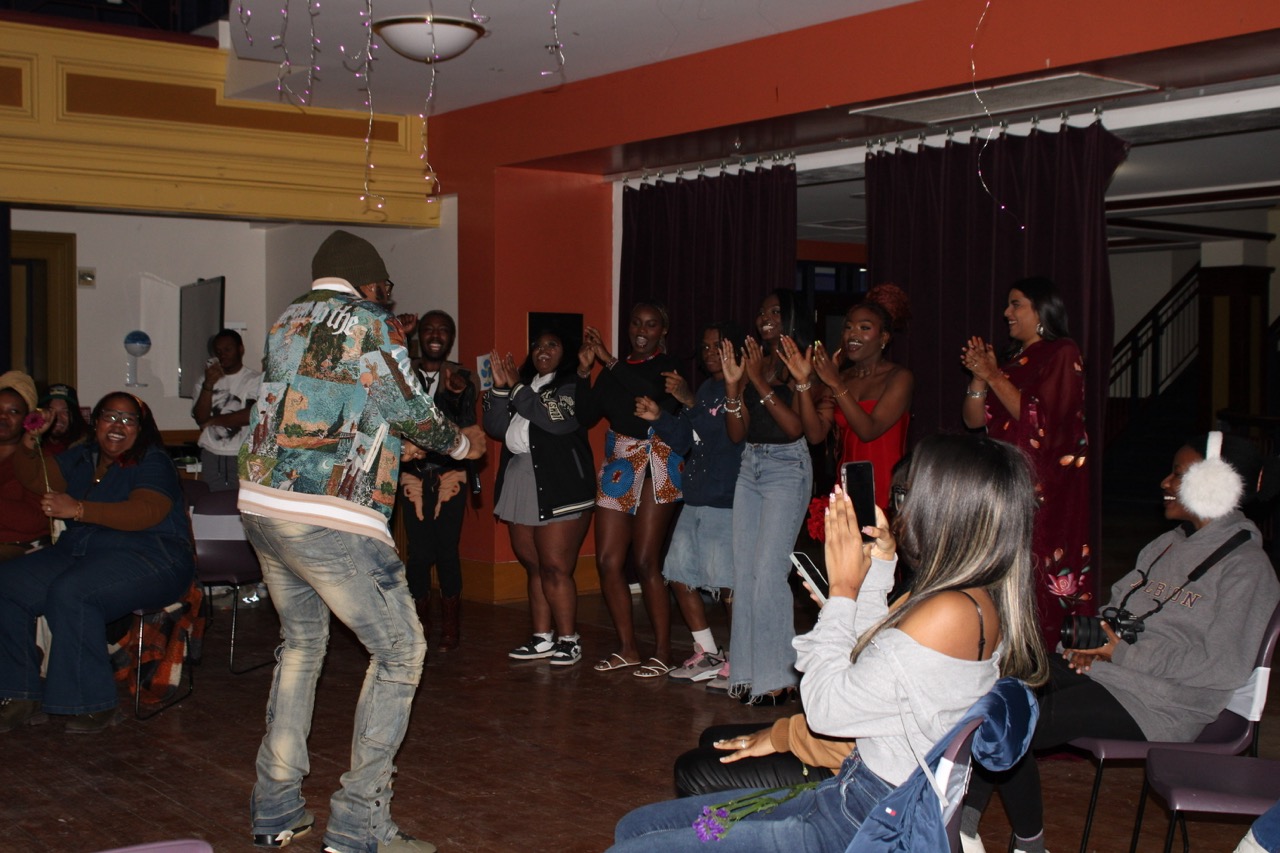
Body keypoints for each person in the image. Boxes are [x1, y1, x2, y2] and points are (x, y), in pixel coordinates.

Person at [607, 433, 1049, 851]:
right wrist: (876, 573)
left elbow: (828, 710)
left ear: (947, 509)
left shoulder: (948, 612)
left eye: (911, 495)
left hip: (864, 820)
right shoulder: (971, 597)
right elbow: (873, 664)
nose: (902, 508)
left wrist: (841, 593)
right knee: (638, 828)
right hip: (852, 792)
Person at [237, 229, 485, 853]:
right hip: (328, 517)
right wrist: (462, 444)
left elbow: (326, 408)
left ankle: (275, 808)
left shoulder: (286, 321)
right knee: (401, 652)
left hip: (264, 507)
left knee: (302, 644)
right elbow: (407, 409)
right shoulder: (368, 323)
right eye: (387, 286)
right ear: (370, 282)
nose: (388, 296)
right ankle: (358, 823)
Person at [960, 432, 1280, 853]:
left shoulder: (1248, 570)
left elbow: (1222, 666)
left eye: (1178, 475)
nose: (1165, 483)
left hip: (1164, 704)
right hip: (1113, 675)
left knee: (1020, 720)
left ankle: (1024, 841)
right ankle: (965, 826)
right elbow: (1116, 613)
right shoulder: (1166, 546)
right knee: (997, 682)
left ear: (1216, 485)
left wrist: (1121, 651)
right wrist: (1089, 645)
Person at [0, 392, 195, 734]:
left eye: (128, 419)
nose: (118, 425)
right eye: (110, 416)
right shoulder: (83, 457)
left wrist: (77, 509)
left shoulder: (152, 461)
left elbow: (146, 511)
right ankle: (19, 693)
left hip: (153, 556)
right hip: (85, 550)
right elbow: (36, 477)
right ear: (96, 422)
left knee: (74, 592)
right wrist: (32, 438)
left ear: (141, 427)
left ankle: (92, 705)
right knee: (7, 584)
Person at [961, 277, 1090, 650]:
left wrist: (993, 375)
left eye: (1016, 304)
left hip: (1044, 487)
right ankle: (999, 647)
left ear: (1041, 310)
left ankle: (1040, 652)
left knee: (1036, 569)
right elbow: (973, 421)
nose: (1007, 313)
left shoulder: (1062, 352)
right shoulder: (1013, 362)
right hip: (1004, 478)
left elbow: (1042, 423)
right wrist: (978, 378)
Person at [577, 302, 684, 676]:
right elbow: (585, 414)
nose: (642, 330)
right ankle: (627, 648)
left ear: (662, 331)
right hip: (620, 462)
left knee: (645, 560)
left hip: (657, 459)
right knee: (607, 559)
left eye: (651, 324)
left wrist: (608, 360)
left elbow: (649, 398)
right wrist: (582, 369)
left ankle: (664, 651)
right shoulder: (611, 370)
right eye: (637, 323)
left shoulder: (666, 368)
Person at [636, 322, 744, 686]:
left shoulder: (738, 388)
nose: (710, 352)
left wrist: (689, 402)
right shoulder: (706, 390)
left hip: (725, 500)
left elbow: (728, 440)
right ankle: (708, 651)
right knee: (680, 576)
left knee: (727, 586)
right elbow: (688, 441)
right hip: (696, 498)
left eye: (718, 346)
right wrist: (660, 418)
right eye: (706, 347)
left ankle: (741, 659)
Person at [720, 289, 813, 705]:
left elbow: (796, 428)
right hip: (750, 464)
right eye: (761, 312)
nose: (765, 318)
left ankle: (779, 677)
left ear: (791, 317)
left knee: (769, 573)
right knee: (745, 574)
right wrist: (733, 388)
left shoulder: (800, 359)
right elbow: (737, 433)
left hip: (786, 468)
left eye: (775, 311)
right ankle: (746, 670)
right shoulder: (758, 359)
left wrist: (756, 379)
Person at [484, 330, 595, 667]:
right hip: (520, 478)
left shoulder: (571, 384)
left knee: (555, 566)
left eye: (553, 344)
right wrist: (502, 388)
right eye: (538, 345)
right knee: (533, 564)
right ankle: (542, 637)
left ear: (567, 352)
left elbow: (555, 421)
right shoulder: (525, 385)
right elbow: (495, 427)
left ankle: (568, 639)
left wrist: (516, 388)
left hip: (561, 483)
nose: (543, 350)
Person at [786, 283, 913, 510]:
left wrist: (834, 383)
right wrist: (803, 382)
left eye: (864, 328)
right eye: (848, 327)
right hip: (849, 485)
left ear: (883, 337)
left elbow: (868, 430)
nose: (853, 334)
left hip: (886, 487)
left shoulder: (900, 377)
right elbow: (815, 434)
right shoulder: (841, 378)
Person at [398, 310, 477, 651]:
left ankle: (451, 626)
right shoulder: (402, 372)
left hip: (450, 475)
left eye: (443, 330)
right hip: (411, 475)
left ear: (451, 338)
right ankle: (420, 623)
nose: (435, 334)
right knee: (418, 553)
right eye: (428, 329)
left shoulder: (462, 376)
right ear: (419, 337)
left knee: (446, 550)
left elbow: (469, 428)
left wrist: (459, 396)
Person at [191, 328, 261, 493]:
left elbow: (250, 415)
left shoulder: (255, 379)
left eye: (227, 349)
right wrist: (208, 385)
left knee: (242, 506)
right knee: (215, 504)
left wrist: (213, 421)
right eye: (218, 351)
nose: (223, 355)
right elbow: (200, 418)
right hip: (211, 453)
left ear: (240, 349)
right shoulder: (205, 380)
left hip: (244, 455)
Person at [0, 373, 49, 561]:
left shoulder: (37, 459)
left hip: (19, 550)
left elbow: (37, 519)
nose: (3, 417)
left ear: (28, 419)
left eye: (13, 412)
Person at [37, 383, 89, 455]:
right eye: (51, 411)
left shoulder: (87, 448)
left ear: (74, 415)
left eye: (65, 412)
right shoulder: (32, 446)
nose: (58, 417)